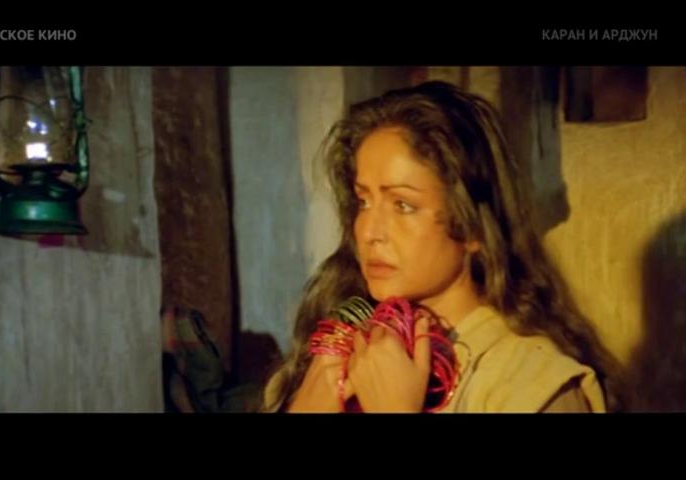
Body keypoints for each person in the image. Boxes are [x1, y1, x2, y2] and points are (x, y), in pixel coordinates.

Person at [262, 80, 624, 413]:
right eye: (363, 201)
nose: (369, 231)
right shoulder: (335, 354)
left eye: (403, 205)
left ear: (473, 227)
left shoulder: (532, 388)